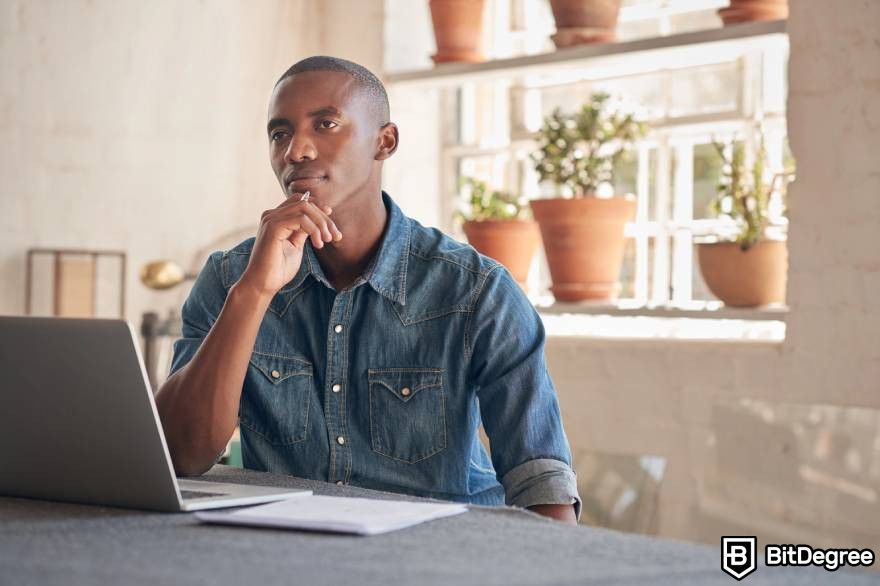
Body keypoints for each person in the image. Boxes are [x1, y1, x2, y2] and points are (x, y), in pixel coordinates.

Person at [156, 56, 580, 524]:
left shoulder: (477, 291)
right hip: (283, 555)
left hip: (441, 558)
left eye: (326, 124)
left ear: (384, 141)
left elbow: (540, 479)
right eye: (279, 133)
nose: (296, 150)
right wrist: (253, 293)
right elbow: (180, 454)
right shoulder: (230, 279)